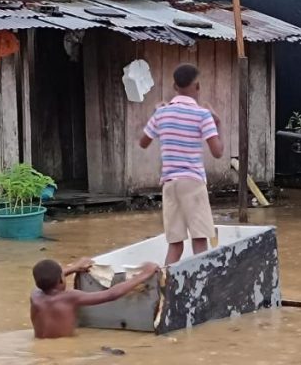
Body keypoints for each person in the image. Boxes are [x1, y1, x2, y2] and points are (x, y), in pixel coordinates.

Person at [140, 64, 224, 265]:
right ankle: (202, 289)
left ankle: (167, 289)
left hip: (169, 184)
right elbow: (218, 152)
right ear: (197, 86)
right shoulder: (202, 115)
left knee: (175, 244)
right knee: (200, 240)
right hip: (192, 182)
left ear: (174, 86)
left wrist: (155, 113)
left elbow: (143, 142)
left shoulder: (162, 113)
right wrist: (218, 123)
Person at [30, 258, 159, 339]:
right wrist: (144, 274)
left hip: (41, 345)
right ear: (60, 280)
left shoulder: (35, 296)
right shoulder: (70, 297)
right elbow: (111, 294)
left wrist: (75, 267)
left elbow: (50, 278)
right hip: (64, 350)